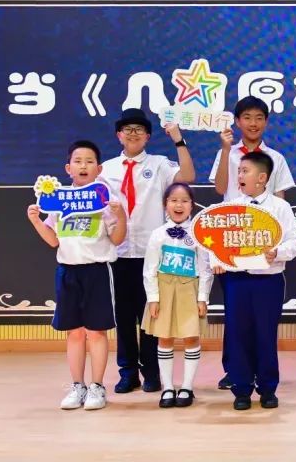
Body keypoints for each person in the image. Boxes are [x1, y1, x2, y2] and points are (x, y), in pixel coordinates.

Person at [100, 108, 195, 394]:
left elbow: (188, 175)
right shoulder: (105, 170)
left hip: (151, 255)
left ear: (148, 137)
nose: (133, 134)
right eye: (127, 129)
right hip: (118, 252)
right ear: (119, 135)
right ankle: (128, 372)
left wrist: (178, 139)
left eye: (139, 129)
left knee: (152, 314)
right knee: (123, 316)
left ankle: (152, 371)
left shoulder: (159, 164)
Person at [26, 140, 126, 411]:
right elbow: (53, 240)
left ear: (99, 169)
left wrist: (121, 216)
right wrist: (36, 220)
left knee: (97, 332)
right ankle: (77, 386)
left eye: (89, 161)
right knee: (74, 332)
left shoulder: (104, 200)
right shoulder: (58, 199)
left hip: (97, 271)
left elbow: (117, 239)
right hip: (68, 272)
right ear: (68, 168)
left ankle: (97, 386)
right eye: (78, 161)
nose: (84, 166)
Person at [209, 96, 295, 390]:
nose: (253, 123)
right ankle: (235, 372)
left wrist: (275, 245)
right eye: (247, 117)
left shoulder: (275, 158)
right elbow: (220, 188)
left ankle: (262, 374)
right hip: (232, 245)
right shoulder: (227, 152)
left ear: (266, 121)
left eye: (259, 117)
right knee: (236, 317)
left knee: (263, 320)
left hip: (263, 248)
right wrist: (225, 150)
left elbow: (280, 200)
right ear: (237, 121)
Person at [218, 151, 296, 411]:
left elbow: (295, 243)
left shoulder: (280, 207)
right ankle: (241, 389)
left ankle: (267, 388)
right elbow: (218, 240)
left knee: (265, 334)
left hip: (268, 280)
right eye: (239, 171)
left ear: (262, 178)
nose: (240, 175)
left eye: (245, 171)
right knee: (238, 334)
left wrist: (277, 252)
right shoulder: (231, 206)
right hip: (236, 280)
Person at [141, 183, 212, 408]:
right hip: (164, 291)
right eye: (173, 200)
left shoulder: (199, 234)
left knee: (191, 337)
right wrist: (153, 298)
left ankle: (187, 387)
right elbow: (150, 269)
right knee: (165, 337)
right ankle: (168, 387)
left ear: (192, 205)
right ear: (165, 205)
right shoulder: (157, 234)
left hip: (189, 290)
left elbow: (205, 268)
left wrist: (202, 297)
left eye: (184, 200)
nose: (178, 205)